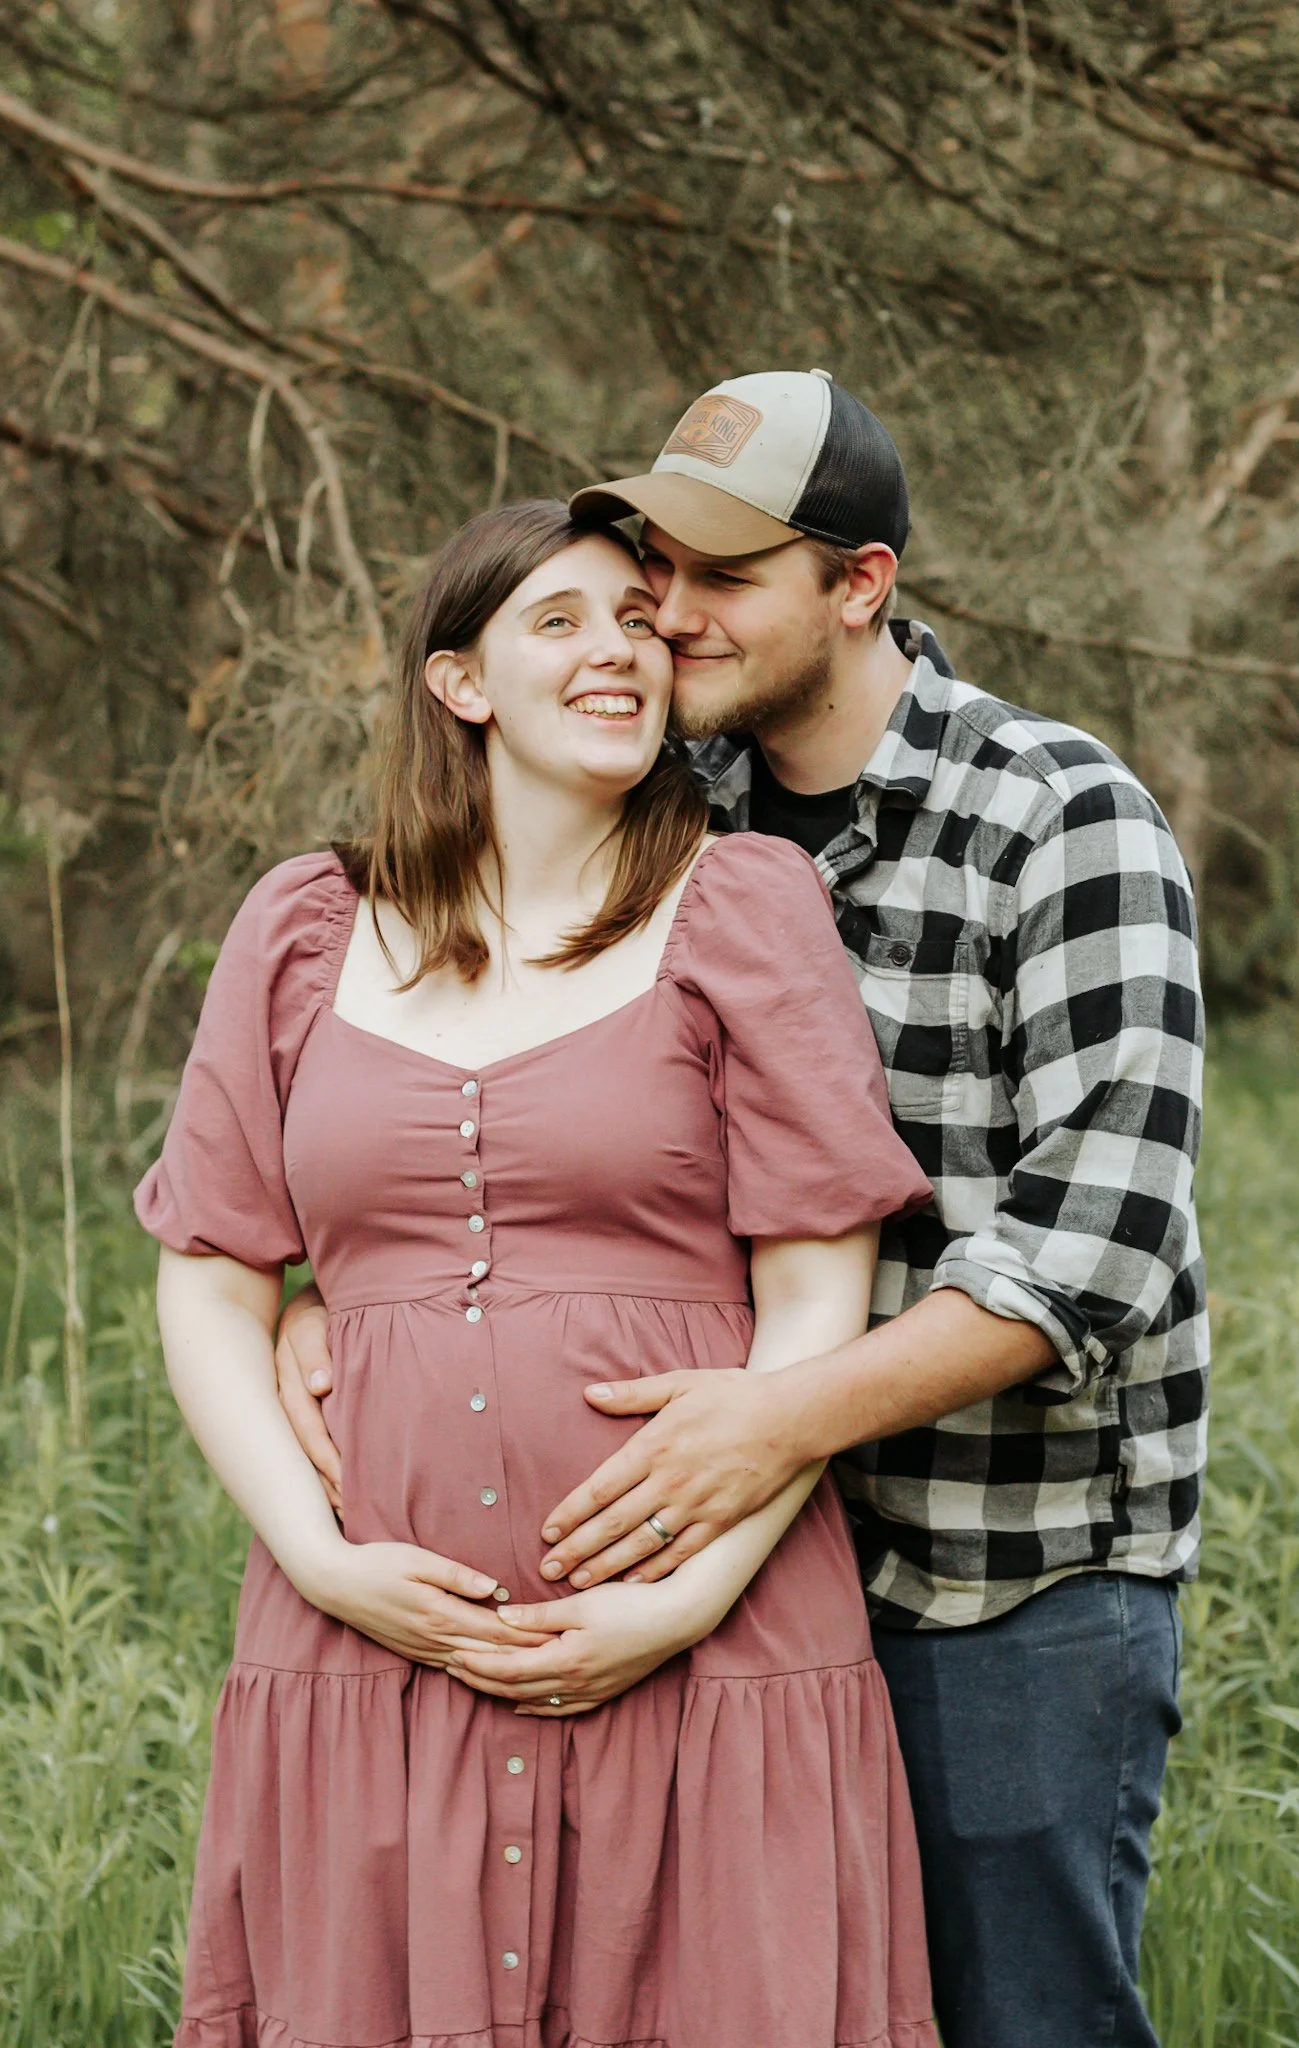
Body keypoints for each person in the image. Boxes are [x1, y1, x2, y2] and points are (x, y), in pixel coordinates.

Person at [279, 370, 1208, 2048]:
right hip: (709, 1589)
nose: (666, 619)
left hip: (992, 1580)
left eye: (720, 579)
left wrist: (774, 1424)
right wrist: (330, 1292)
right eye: (652, 576)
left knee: (1018, 2019)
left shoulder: (1056, 818)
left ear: (858, 585)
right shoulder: (652, 811)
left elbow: (1096, 1250)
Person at [135, 498, 939, 2048]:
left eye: (639, 623)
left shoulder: (745, 907)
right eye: (559, 622)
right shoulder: (307, 929)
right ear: (461, 684)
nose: (619, 651)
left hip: (708, 1651)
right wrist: (319, 1561)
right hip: (373, 1651)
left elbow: (815, 1300)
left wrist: (686, 1599)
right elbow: (212, 1280)